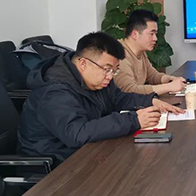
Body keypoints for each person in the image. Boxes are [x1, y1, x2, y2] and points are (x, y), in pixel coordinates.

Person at [18, 32, 183, 165]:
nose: (110, 76)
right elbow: (77, 133)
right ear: (83, 63)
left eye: (114, 70)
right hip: (55, 168)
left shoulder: (96, 79)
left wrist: (150, 101)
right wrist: (134, 120)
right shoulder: (55, 92)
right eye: (107, 69)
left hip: (86, 154)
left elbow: (118, 98)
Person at [114, 10, 186, 95]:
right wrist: (169, 87)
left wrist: (170, 79)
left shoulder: (140, 52)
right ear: (135, 35)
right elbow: (130, 90)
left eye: (155, 34)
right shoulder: (119, 55)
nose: (155, 38)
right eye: (151, 34)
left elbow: (152, 76)